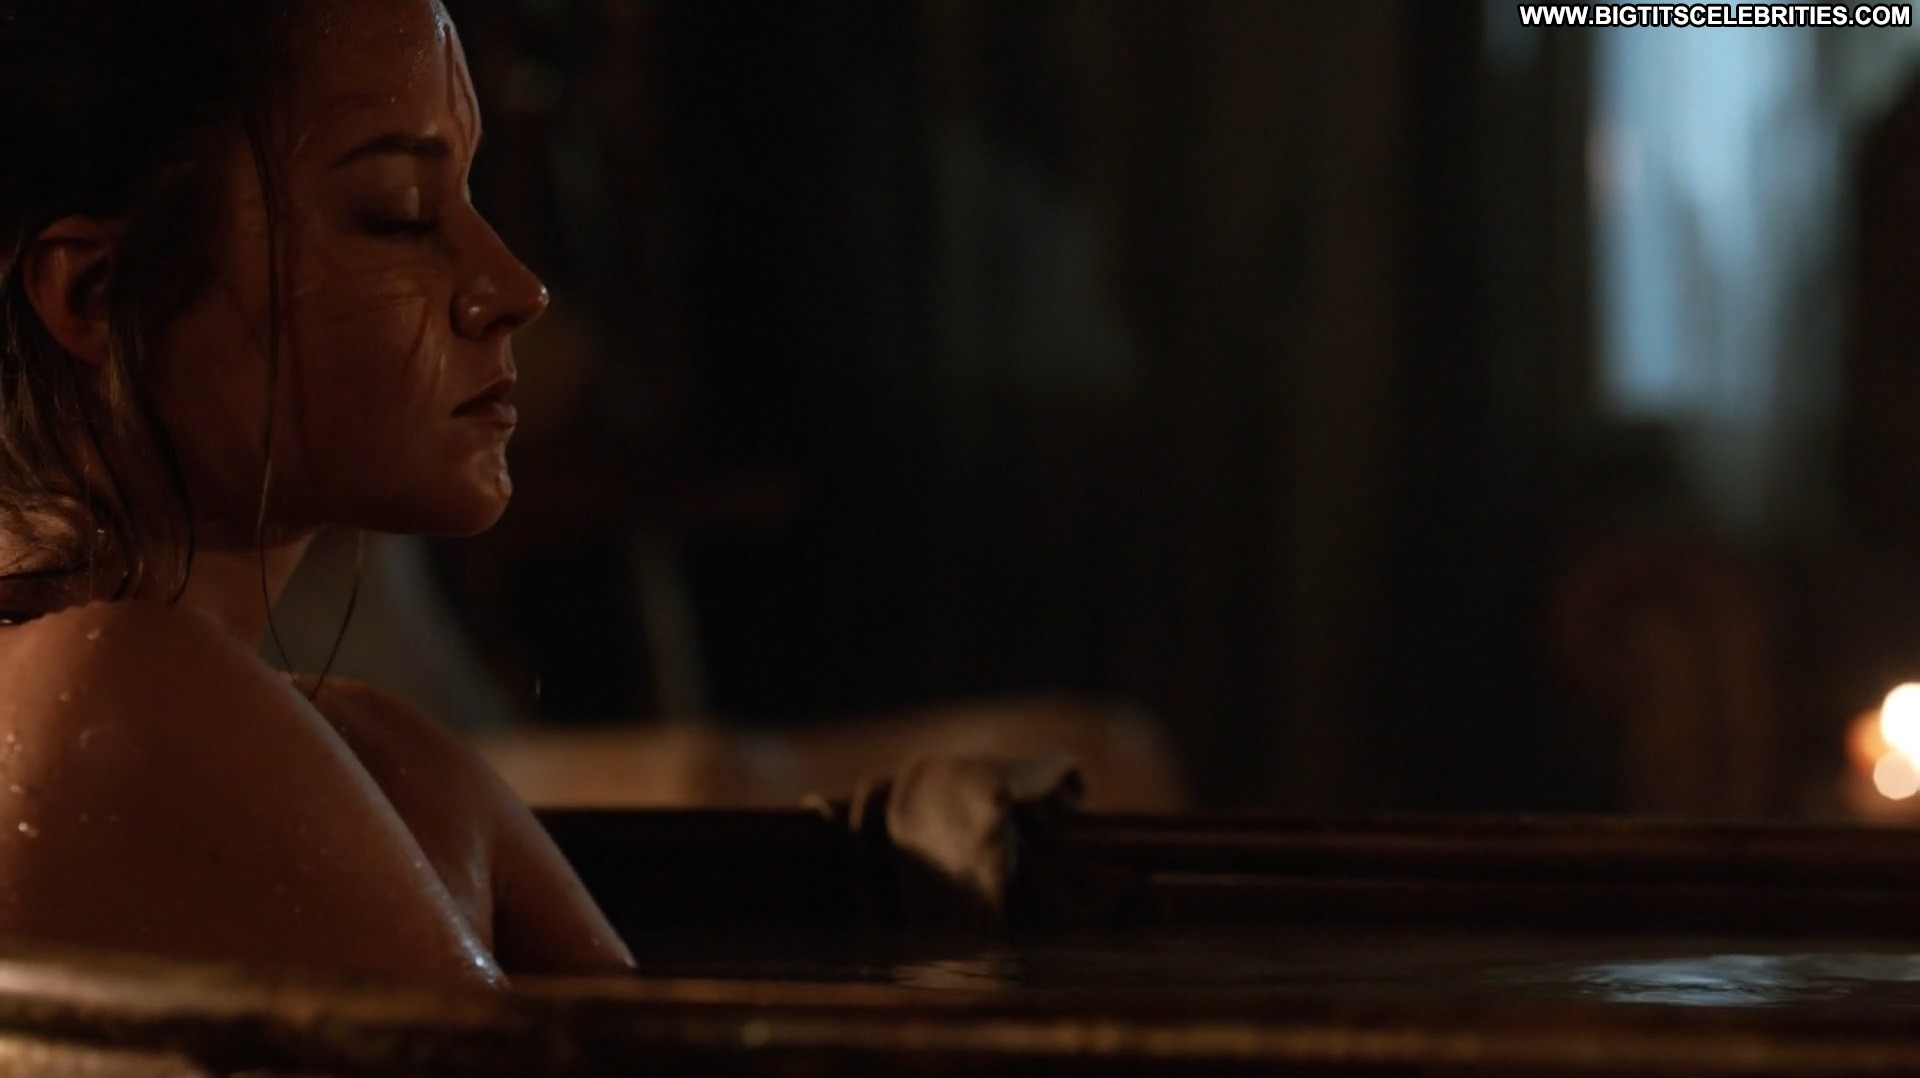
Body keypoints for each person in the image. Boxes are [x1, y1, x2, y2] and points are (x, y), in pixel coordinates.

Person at [0, 0, 633, 986]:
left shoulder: (390, 759)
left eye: (467, 195)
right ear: (99, 293)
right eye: (401, 212)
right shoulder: (111, 691)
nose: (515, 288)